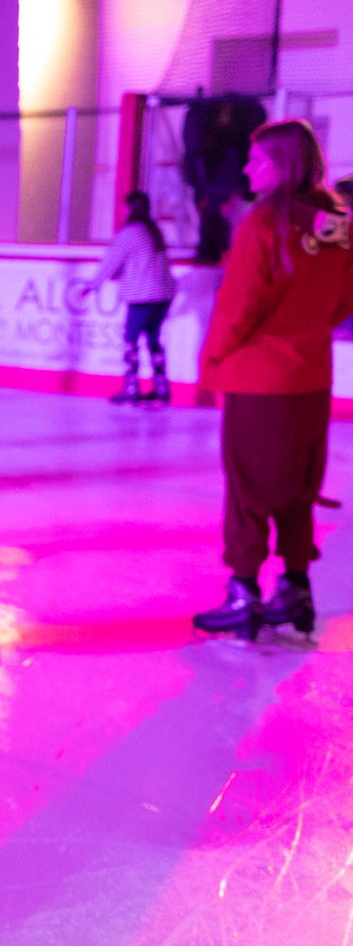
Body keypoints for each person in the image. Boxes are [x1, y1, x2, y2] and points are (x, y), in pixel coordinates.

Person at [190, 118, 353, 641]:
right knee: (298, 488)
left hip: (259, 381)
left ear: (284, 165)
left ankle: (243, 593)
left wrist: (212, 363)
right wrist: (304, 331)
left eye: (257, 159)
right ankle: (296, 587)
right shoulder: (335, 224)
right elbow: (345, 300)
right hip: (310, 378)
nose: (245, 167)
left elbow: (238, 308)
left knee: (247, 490)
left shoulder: (263, 224)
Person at [90, 191, 177, 404]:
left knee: (131, 340)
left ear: (130, 208)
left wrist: (93, 285)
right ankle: (161, 387)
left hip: (142, 295)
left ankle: (131, 388)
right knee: (154, 340)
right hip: (162, 295)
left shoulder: (130, 233)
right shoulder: (153, 231)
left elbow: (112, 261)